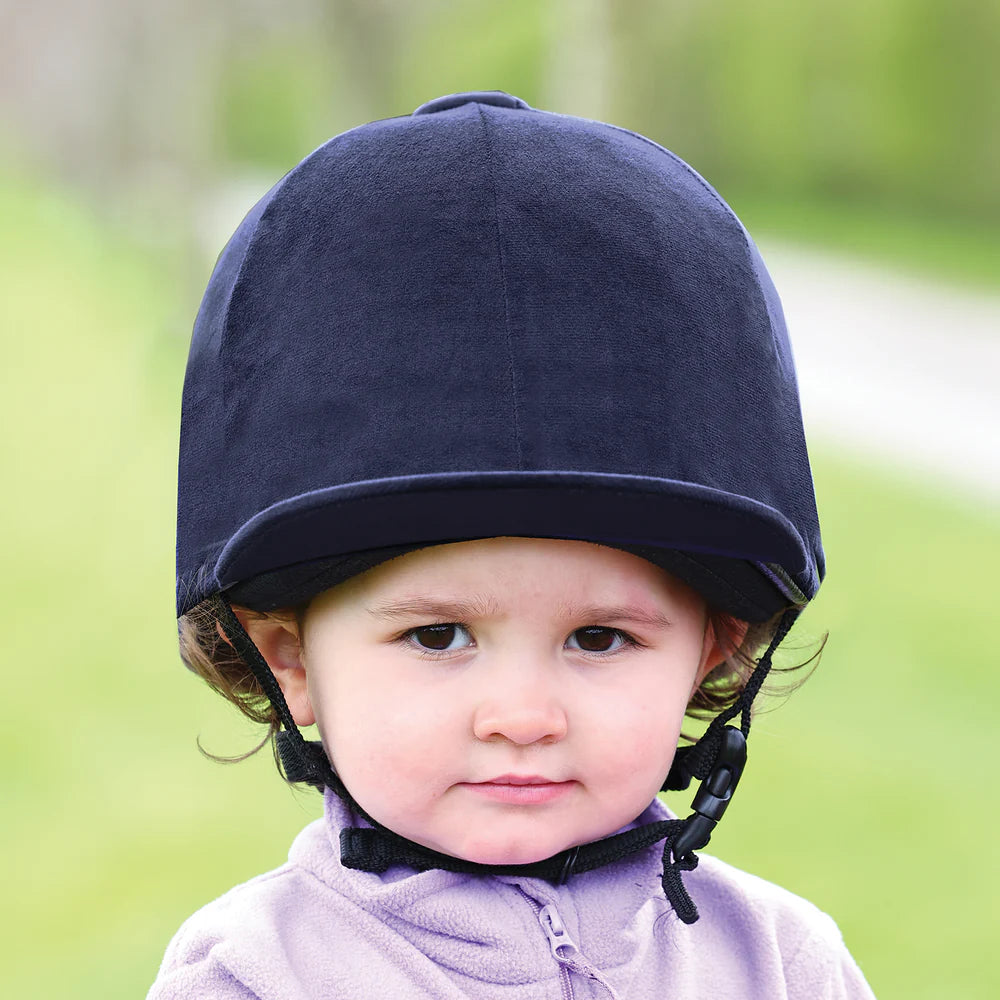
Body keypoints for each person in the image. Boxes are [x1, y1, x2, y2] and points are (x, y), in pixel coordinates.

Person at [149, 91, 876, 998]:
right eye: (437, 636)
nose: (523, 716)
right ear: (287, 658)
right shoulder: (255, 979)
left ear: (713, 648)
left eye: (599, 637)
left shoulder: (779, 965)